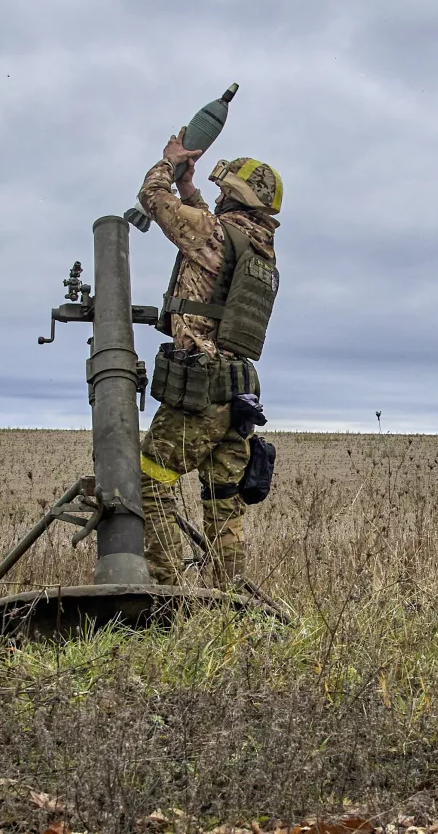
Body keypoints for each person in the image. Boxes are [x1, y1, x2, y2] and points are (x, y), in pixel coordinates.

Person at [135, 128, 283, 586]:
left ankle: (164, 592)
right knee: (222, 499)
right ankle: (228, 603)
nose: (216, 199)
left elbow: (151, 199)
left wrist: (168, 163)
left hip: (200, 390)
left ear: (237, 197)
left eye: (223, 192)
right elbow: (209, 229)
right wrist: (191, 189)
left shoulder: (217, 233)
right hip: (236, 392)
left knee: (148, 483)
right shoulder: (255, 245)